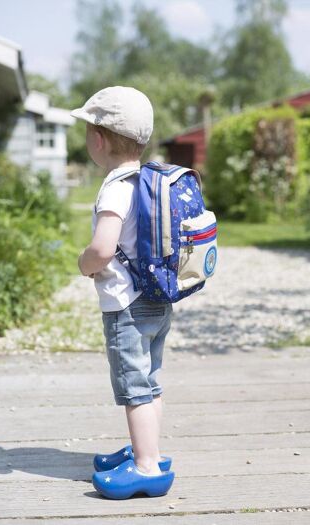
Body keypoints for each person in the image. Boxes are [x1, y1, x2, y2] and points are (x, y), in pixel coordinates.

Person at [71, 86, 174, 499]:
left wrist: (84, 263)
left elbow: (103, 248)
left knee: (134, 390)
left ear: (98, 139)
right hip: (157, 299)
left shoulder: (115, 187)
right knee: (150, 383)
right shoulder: (149, 180)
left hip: (126, 308)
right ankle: (148, 449)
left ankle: (147, 469)